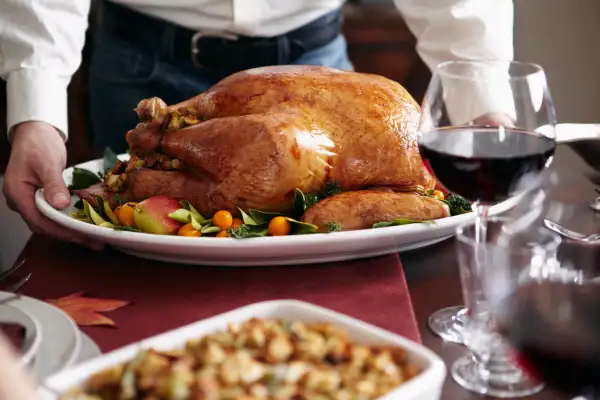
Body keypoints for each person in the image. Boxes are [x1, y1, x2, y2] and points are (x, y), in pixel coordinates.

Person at [0, 0, 514, 247]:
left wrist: (481, 95)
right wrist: (36, 111)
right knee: (134, 260)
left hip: (321, 62)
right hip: (141, 55)